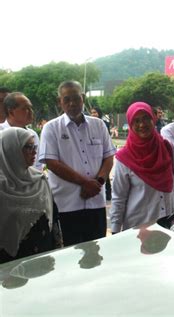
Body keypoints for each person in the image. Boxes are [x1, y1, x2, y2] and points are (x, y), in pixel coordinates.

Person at [38, 80, 116, 247]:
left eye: (76, 98)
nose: (72, 103)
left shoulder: (98, 125)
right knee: (70, 255)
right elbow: (51, 162)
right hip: (67, 205)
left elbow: (109, 156)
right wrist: (85, 183)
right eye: (67, 99)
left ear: (82, 98)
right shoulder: (51, 128)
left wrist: (99, 182)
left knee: (97, 251)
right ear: (60, 102)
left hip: (96, 202)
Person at [110, 102, 174, 233]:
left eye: (146, 118)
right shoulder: (124, 158)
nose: (142, 124)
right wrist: (115, 231)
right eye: (136, 121)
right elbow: (119, 198)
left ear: (153, 119)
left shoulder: (167, 147)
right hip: (139, 229)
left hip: (169, 225)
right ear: (130, 124)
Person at [0, 128, 55, 264]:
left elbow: (53, 220)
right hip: (8, 266)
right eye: (28, 147)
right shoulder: (2, 186)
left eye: (34, 146)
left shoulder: (39, 180)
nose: (34, 151)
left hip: (42, 260)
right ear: (10, 150)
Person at [0, 92, 43, 171]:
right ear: (11, 112)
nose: (31, 111)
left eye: (31, 108)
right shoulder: (1, 134)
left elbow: (38, 165)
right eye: (25, 108)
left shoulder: (32, 134)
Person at [89, 106, 112, 201]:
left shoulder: (104, 124)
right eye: (92, 112)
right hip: (93, 151)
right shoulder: (89, 124)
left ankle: (108, 194)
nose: (93, 114)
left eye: (95, 112)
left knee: (105, 174)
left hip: (103, 150)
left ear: (99, 113)